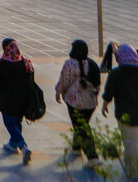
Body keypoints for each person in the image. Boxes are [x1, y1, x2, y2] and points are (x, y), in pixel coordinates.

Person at [55, 39, 101, 168]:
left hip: (75, 101)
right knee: (82, 124)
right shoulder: (92, 63)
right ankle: (76, 147)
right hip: (91, 102)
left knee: (81, 127)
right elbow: (97, 84)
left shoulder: (69, 64)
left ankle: (92, 156)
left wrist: (58, 91)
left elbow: (64, 80)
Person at [0, 38, 35, 165]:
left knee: (10, 123)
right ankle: (12, 144)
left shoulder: (1, 64)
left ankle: (23, 146)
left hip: (8, 100)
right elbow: (31, 80)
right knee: (17, 122)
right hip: (23, 99)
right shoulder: (26, 62)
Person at [101, 43, 138, 180]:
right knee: (133, 143)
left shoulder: (116, 73)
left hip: (125, 115)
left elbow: (109, 92)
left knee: (130, 144)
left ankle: (133, 174)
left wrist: (104, 105)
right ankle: (129, 167)